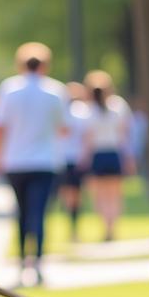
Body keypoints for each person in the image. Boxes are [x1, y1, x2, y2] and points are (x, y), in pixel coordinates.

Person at [0, 42, 67, 285]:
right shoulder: (55, 91)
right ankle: (39, 262)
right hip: (44, 161)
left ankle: (24, 261)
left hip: (16, 161)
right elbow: (64, 127)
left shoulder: (9, 90)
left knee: (22, 212)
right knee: (39, 212)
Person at [81, 70, 133, 242]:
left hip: (98, 155)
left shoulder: (88, 111)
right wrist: (129, 157)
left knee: (100, 195)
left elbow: (87, 139)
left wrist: (85, 158)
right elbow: (125, 135)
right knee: (115, 194)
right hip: (114, 153)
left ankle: (106, 226)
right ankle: (112, 227)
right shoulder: (118, 106)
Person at [57, 81, 91, 242]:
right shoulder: (77, 112)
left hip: (69, 158)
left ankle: (73, 227)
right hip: (69, 158)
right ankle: (72, 226)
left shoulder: (77, 112)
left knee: (72, 194)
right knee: (72, 194)